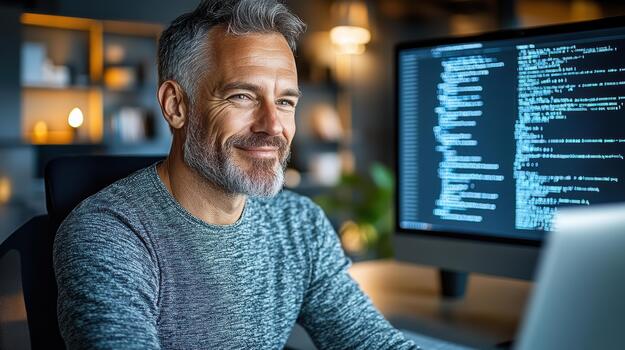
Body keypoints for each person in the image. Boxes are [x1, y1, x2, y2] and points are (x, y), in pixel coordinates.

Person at [54, 0, 418, 348]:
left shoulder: (299, 225)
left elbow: (372, 342)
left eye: (285, 101)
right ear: (175, 105)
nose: (273, 126)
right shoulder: (110, 232)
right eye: (242, 96)